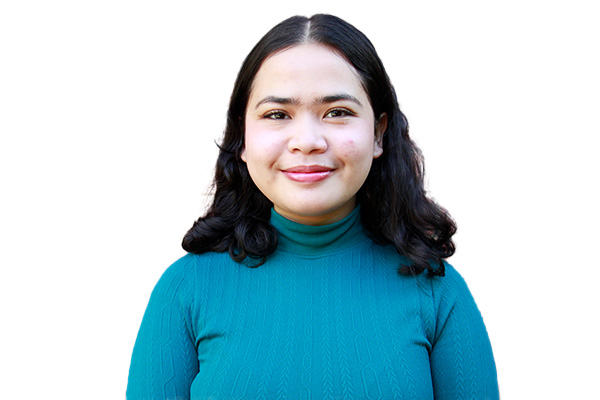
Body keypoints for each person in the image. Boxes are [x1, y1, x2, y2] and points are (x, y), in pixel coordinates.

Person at [127, 14, 499, 399]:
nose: (306, 141)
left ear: (378, 133)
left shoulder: (437, 293)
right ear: (242, 137)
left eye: (337, 112)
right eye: (277, 115)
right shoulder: (185, 291)